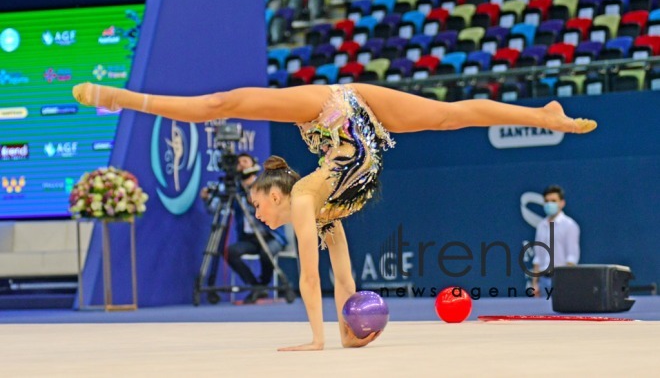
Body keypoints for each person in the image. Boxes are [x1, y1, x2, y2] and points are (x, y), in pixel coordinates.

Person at [72, 82, 597, 351]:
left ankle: (124, 98)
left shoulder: (304, 197)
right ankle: (542, 115)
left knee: (221, 103)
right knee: (447, 116)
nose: (260, 214)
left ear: (275, 196)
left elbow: (307, 276)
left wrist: (318, 338)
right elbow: (341, 273)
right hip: (356, 130)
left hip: (330, 110)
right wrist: (351, 330)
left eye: (258, 206)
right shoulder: (323, 208)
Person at [200, 152, 287, 304]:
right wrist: (208, 199)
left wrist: (255, 203)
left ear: (253, 164)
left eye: (245, 161)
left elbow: (276, 211)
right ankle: (256, 287)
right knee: (229, 252)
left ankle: (262, 285)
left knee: (266, 254)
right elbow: (219, 209)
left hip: (271, 236)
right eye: (238, 163)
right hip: (250, 239)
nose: (241, 165)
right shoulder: (237, 192)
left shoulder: (265, 187)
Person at [532, 185, 581, 298]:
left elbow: (572, 258)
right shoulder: (541, 226)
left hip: (561, 280)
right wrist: (535, 283)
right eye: (547, 201)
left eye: (553, 201)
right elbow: (537, 258)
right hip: (543, 280)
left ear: (562, 203)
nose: (550, 204)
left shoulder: (570, 225)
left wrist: (565, 282)